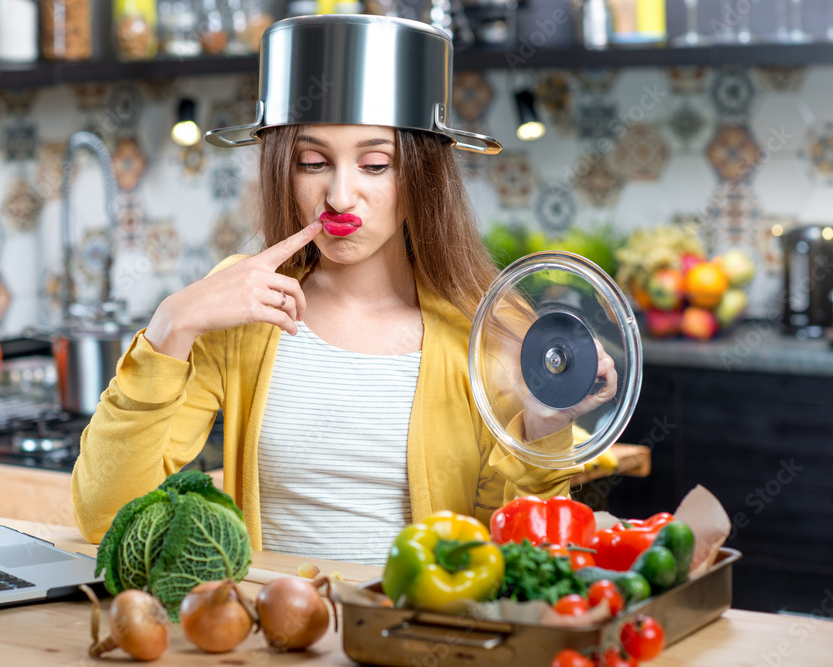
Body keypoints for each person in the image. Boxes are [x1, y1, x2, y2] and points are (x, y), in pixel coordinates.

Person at [71, 16, 617, 564]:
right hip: (273, 641)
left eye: (375, 165)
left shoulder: (490, 324)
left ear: (422, 175)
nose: (338, 195)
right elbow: (105, 516)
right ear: (284, 166)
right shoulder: (248, 301)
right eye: (313, 162)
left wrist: (542, 431)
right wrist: (170, 324)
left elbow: (524, 552)